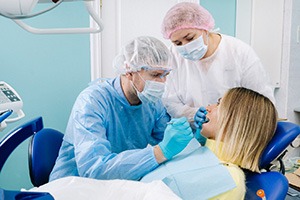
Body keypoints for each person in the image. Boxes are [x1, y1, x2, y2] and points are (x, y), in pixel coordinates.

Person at [49, 36, 193, 181]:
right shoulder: (92, 102)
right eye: (155, 75)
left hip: (120, 183)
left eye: (165, 75)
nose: (162, 83)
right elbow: (94, 169)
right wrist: (159, 152)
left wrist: (194, 133)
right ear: (129, 71)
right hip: (74, 186)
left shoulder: (152, 103)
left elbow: (169, 138)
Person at [141, 87, 278, 200]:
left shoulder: (231, 180)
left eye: (219, 104)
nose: (208, 108)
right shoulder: (200, 150)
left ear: (236, 122)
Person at [160, 2, 275, 127]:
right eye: (177, 43)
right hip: (195, 134)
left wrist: (229, 120)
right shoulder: (173, 57)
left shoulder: (239, 52)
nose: (185, 46)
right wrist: (192, 114)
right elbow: (170, 101)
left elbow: (263, 104)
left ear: (205, 29)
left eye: (190, 38)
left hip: (235, 133)